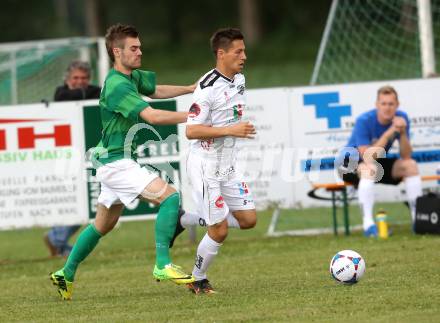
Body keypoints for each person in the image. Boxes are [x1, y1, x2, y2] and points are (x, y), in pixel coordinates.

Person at [50, 23, 196, 300]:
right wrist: (194, 116)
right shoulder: (117, 85)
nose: (140, 51)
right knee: (170, 198)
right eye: (134, 48)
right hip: (117, 163)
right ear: (117, 52)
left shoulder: (130, 77)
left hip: (110, 161)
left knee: (102, 225)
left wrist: (190, 88)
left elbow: (156, 91)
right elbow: (152, 116)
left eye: (139, 46)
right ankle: (163, 264)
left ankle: (65, 273)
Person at [183, 28, 257, 294]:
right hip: (205, 165)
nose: (244, 56)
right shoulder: (206, 89)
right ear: (221, 53)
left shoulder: (239, 79)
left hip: (227, 164)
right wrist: (230, 130)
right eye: (239, 51)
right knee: (220, 230)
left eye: (244, 50)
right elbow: (191, 130)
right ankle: (197, 279)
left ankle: (189, 218)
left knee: (248, 220)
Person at [339, 85, 422, 237]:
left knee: (410, 166)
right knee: (370, 168)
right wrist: (391, 131)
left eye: (391, 104)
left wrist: (402, 133)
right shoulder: (363, 120)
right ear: (377, 105)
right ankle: (369, 226)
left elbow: (406, 155)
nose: (387, 108)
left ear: (397, 105)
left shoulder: (402, 118)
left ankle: (418, 221)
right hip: (348, 163)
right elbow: (367, 156)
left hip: (375, 162)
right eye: (383, 103)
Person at [44, 61, 101, 258]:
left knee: (88, 202)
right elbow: (66, 98)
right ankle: (57, 239)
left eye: (84, 78)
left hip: (88, 153)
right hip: (64, 156)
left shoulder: (97, 91)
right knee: (72, 199)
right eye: (75, 78)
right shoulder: (61, 93)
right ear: (67, 80)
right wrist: (86, 94)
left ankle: (57, 239)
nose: (80, 82)